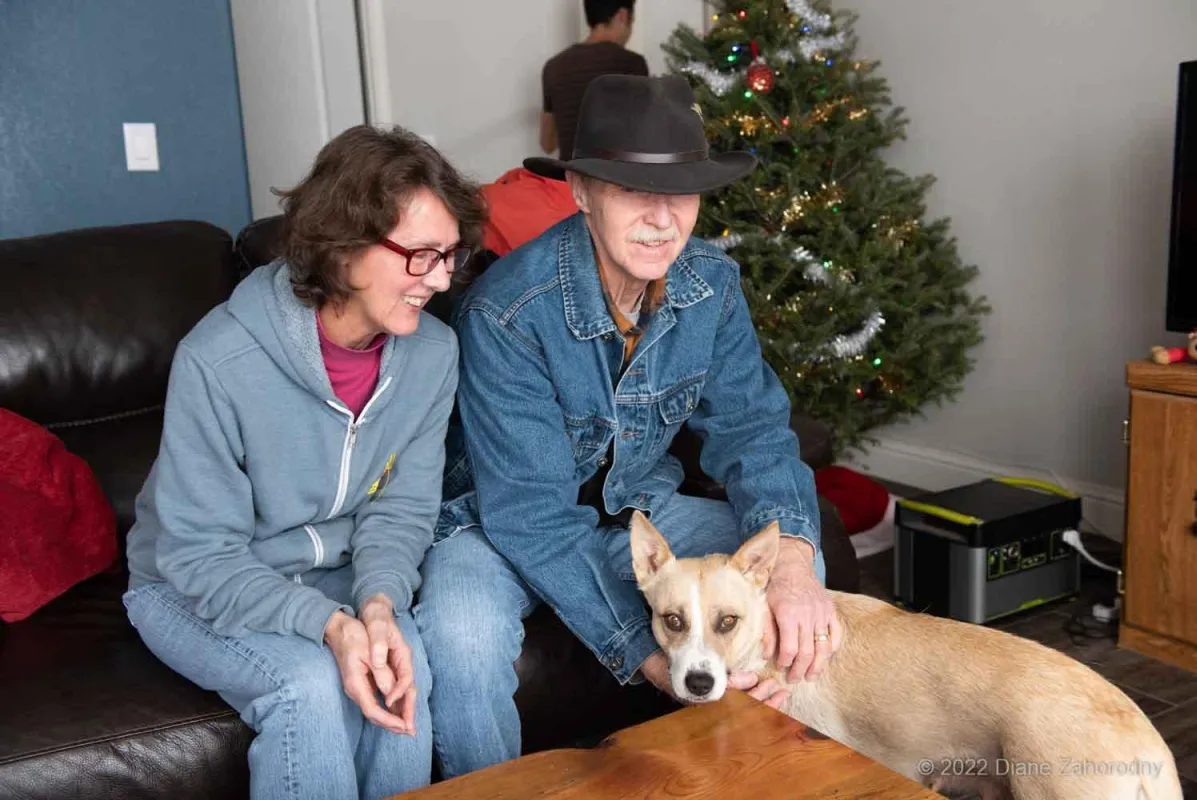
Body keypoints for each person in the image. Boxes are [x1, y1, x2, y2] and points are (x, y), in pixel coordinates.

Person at [417, 74, 841, 780]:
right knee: (458, 633)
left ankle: (749, 772)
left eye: (680, 193)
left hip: (643, 507)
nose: (661, 219)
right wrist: (650, 656)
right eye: (634, 192)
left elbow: (755, 431)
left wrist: (792, 562)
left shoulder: (712, 285)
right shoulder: (507, 312)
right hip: (497, 523)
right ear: (581, 192)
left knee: (801, 570)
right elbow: (532, 517)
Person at [121, 124, 484, 800]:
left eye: (450, 257)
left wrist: (377, 605)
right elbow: (199, 557)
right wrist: (329, 627)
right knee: (310, 687)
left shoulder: (432, 356)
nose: (439, 280)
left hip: (338, 575)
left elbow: (402, 510)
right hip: (188, 583)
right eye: (420, 256)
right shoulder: (220, 361)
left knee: (405, 667)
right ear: (343, 250)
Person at [540, 0, 648, 159]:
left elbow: (547, 144)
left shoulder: (553, 67)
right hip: (615, 180)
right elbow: (646, 136)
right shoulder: (633, 64)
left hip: (566, 180)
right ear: (622, 16)